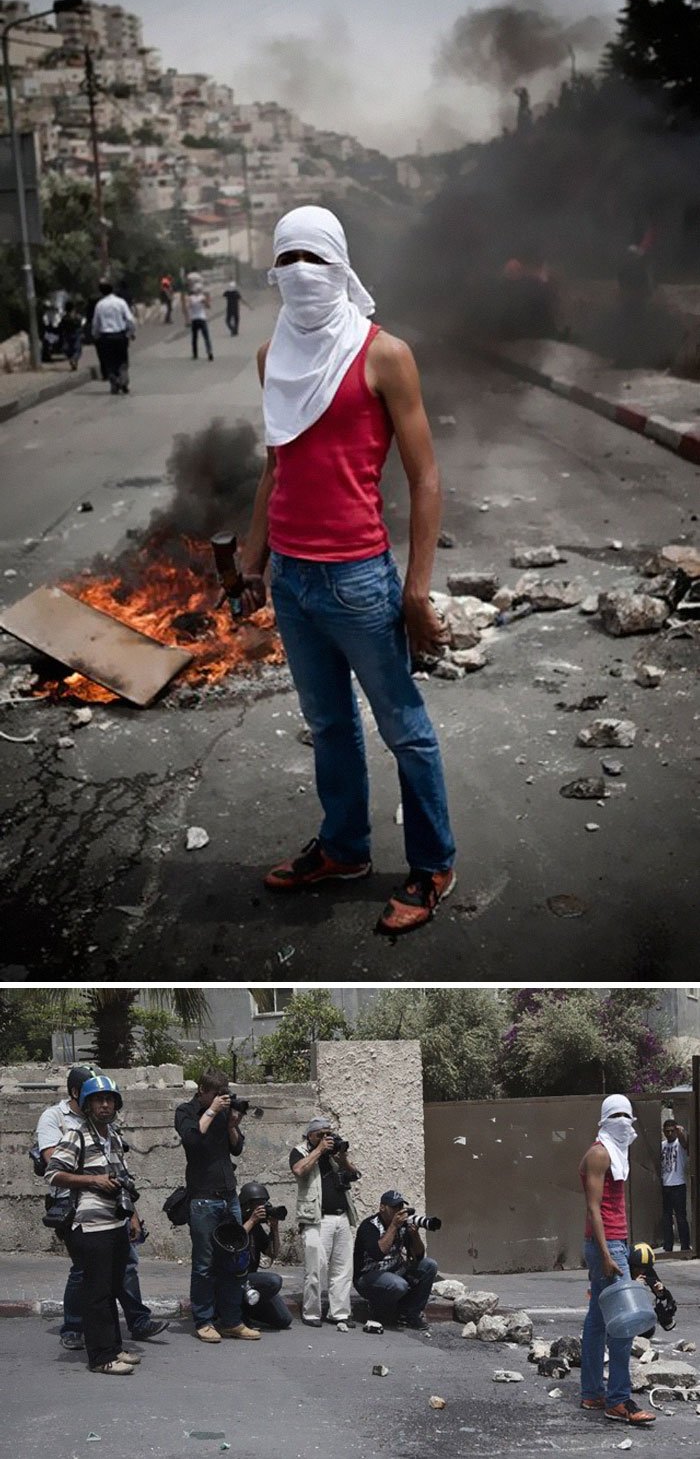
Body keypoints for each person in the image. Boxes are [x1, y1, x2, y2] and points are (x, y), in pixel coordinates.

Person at [239, 204, 456, 936]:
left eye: (314, 259)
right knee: (328, 724)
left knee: (405, 729)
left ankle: (432, 865)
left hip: (360, 578)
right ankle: (345, 848)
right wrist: (250, 555)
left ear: (340, 264)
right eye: (287, 259)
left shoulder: (383, 353)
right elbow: (277, 465)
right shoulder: (271, 359)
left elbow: (425, 477)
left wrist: (417, 588)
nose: (301, 273)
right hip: (293, 580)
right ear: (273, 269)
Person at [36, 1066, 166, 1351]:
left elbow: (124, 1182)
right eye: (98, 1100)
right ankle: (85, 1339)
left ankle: (121, 1340)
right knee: (90, 1282)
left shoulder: (115, 1138)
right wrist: (92, 1180)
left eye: (109, 1099)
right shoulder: (72, 1132)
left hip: (114, 1223)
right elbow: (52, 1170)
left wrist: (133, 1217)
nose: (105, 1105)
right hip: (84, 1220)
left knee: (115, 1281)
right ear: (85, 1102)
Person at [579, 1095, 655, 1427]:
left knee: (598, 1319)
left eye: (628, 1115)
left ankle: (593, 1392)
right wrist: (610, 1254)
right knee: (623, 1323)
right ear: (606, 1119)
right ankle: (619, 1400)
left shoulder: (616, 1153)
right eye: (618, 1115)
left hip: (614, 1241)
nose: (625, 1121)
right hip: (606, 1245)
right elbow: (594, 1208)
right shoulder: (599, 1153)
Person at [174, 1068, 260, 1343]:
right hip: (202, 1199)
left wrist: (233, 1123)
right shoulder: (185, 1111)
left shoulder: (223, 1113)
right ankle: (204, 1320)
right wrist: (211, 1111)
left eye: (224, 1094)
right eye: (216, 1094)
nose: (221, 1099)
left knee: (234, 1261)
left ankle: (232, 1320)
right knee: (204, 1265)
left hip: (228, 1196)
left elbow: (236, 1149)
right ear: (202, 1090)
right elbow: (192, 1140)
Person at [290, 1116, 359, 1328]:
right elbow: (299, 1170)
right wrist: (319, 1150)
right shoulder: (300, 1151)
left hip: (341, 1216)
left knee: (342, 1268)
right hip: (316, 1219)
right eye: (321, 1134)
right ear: (311, 1135)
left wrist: (343, 1158)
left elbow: (355, 1175)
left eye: (329, 1134)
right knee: (315, 1268)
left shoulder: (334, 1153)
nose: (326, 1138)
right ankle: (311, 1313)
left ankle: (339, 1313)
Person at [353, 1189, 438, 1329]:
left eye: (400, 1207)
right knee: (399, 1285)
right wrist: (393, 1226)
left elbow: (418, 1256)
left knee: (430, 1265)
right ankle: (379, 1309)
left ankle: (411, 1314)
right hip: (368, 1277)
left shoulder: (403, 1225)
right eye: (394, 1207)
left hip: (395, 1271)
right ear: (382, 1207)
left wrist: (415, 1235)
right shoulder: (369, 1226)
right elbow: (378, 1254)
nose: (398, 1211)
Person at [238, 1181, 292, 1330]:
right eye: (258, 1204)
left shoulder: (257, 1229)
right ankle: (234, 1314)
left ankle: (249, 1310)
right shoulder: (235, 1220)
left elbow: (273, 1253)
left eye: (264, 1204)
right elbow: (235, 1240)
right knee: (273, 1281)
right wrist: (252, 1220)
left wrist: (274, 1229)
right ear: (247, 1205)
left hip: (251, 1281)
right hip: (234, 1280)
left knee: (284, 1319)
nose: (262, 1208)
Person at [91, 280, 136, 395]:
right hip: (120, 335)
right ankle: (124, 380)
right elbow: (130, 319)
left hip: (106, 337)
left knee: (110, 362)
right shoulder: (120, 302)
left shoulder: (100, 305)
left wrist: (95, 336)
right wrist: (131, 333)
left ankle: (114, 382)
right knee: (122, 360)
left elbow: (96, 324)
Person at [628, 1242, 677, 1333]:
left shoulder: (647, 1269)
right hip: (621, 1309)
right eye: (637, 1268)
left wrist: (661, 1292)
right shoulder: (624, 1268)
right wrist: (634, 1285)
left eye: (644, 1269)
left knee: (649, 1329)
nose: (641, 1272)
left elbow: (666, 1299)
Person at [661, 1117, 690, 1253]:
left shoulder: (680, 1144)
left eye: (672, 1131)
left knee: (681, 1217)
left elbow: (685, 1142)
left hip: (678, 1184)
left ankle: (685, 1246)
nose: (669, 1134)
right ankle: (668, 1246)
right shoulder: (662, 1145)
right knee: (666, 1218)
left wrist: (680, 1131)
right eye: (667, 1131)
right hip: (666, 1185)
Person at [186, 286, 214, 360]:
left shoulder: (190, 298)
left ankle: (195, 354)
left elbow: (189, 307)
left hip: (194, 320)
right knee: (206, 337)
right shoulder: (202, 297)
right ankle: (209, 352)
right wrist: (205, 301)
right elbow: (208, 306)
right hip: (202, 319)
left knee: (194, 338)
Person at [58, 300, 83, 370]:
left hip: (67, 335)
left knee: (69, 350)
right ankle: (74, 359)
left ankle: (73, 362)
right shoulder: (76, 316)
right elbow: (80, 324)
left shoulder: (64, 317)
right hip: (76, 334)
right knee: (77, 350)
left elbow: (61, 326)